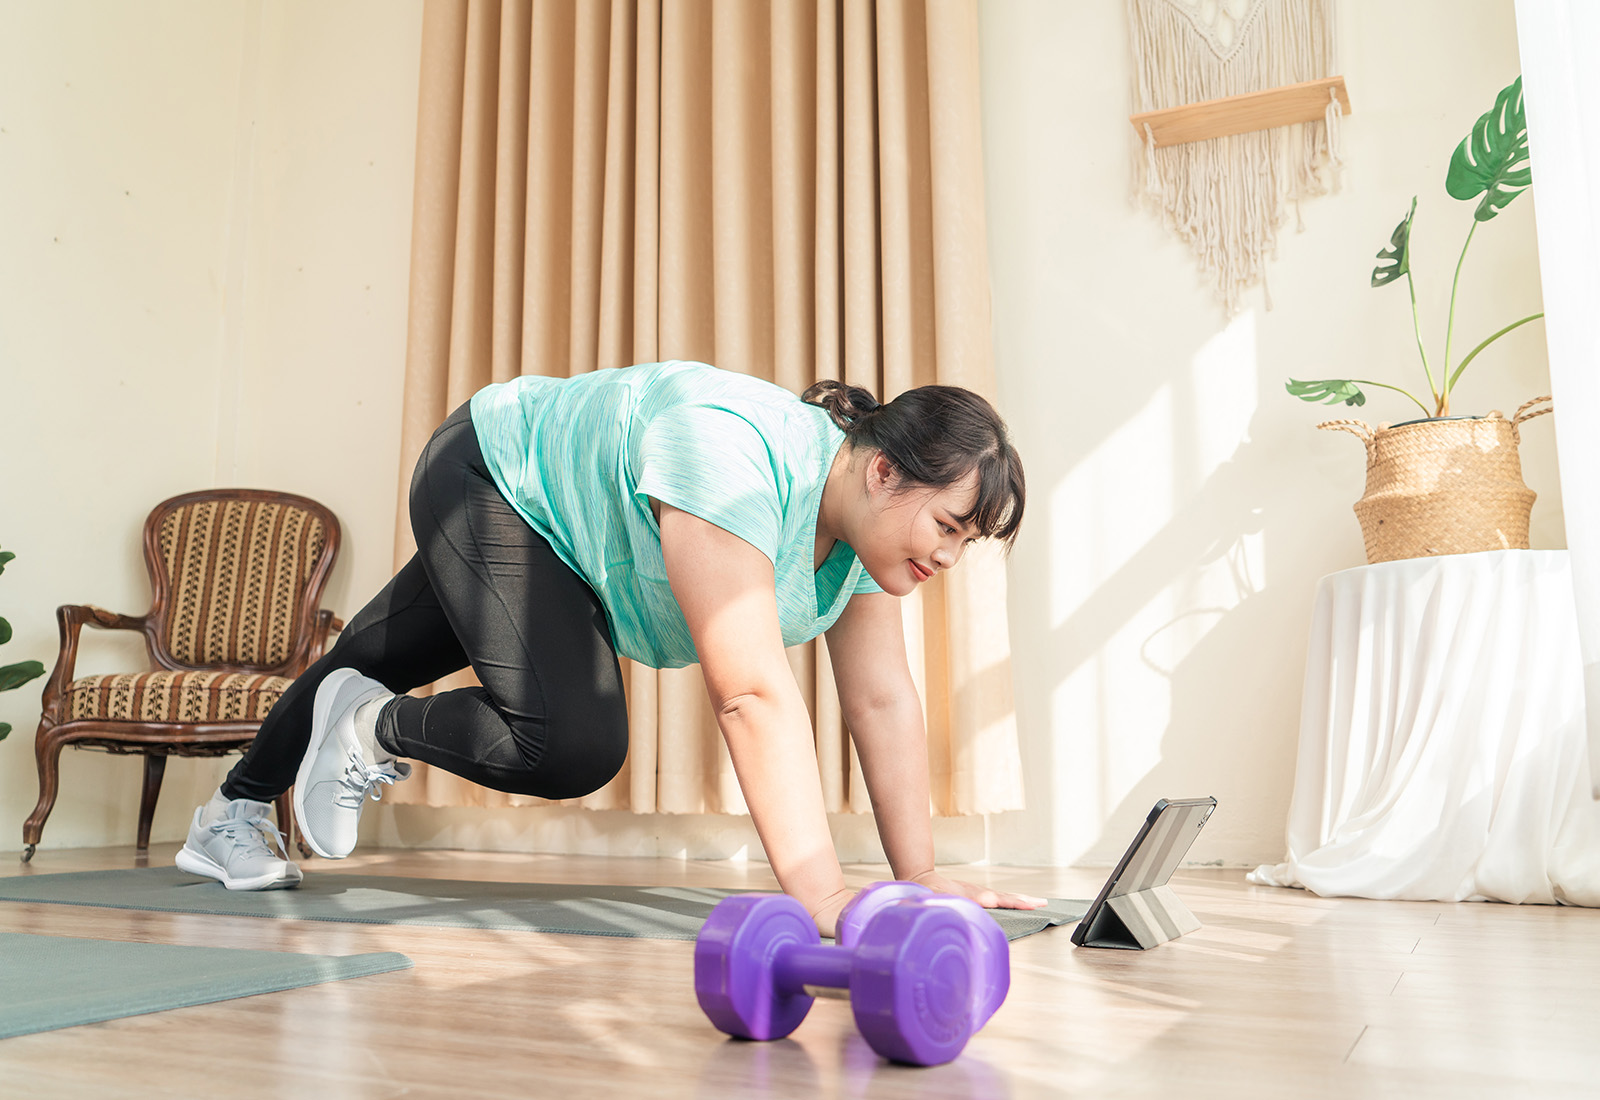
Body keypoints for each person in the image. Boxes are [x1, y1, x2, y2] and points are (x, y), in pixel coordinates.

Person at [175, 360, 1045, 931]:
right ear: (884, 471)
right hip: (498, 473)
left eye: (968, 542)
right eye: (948, 526)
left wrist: (920, 874)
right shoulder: (735, 458)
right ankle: (364, 733)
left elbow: (881, 699)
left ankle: (230, 814)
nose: (947, 555)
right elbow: (748, 692)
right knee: (570, 742)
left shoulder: (864, 542)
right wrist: (822, 893)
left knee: (374, 656)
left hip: (575, 541)